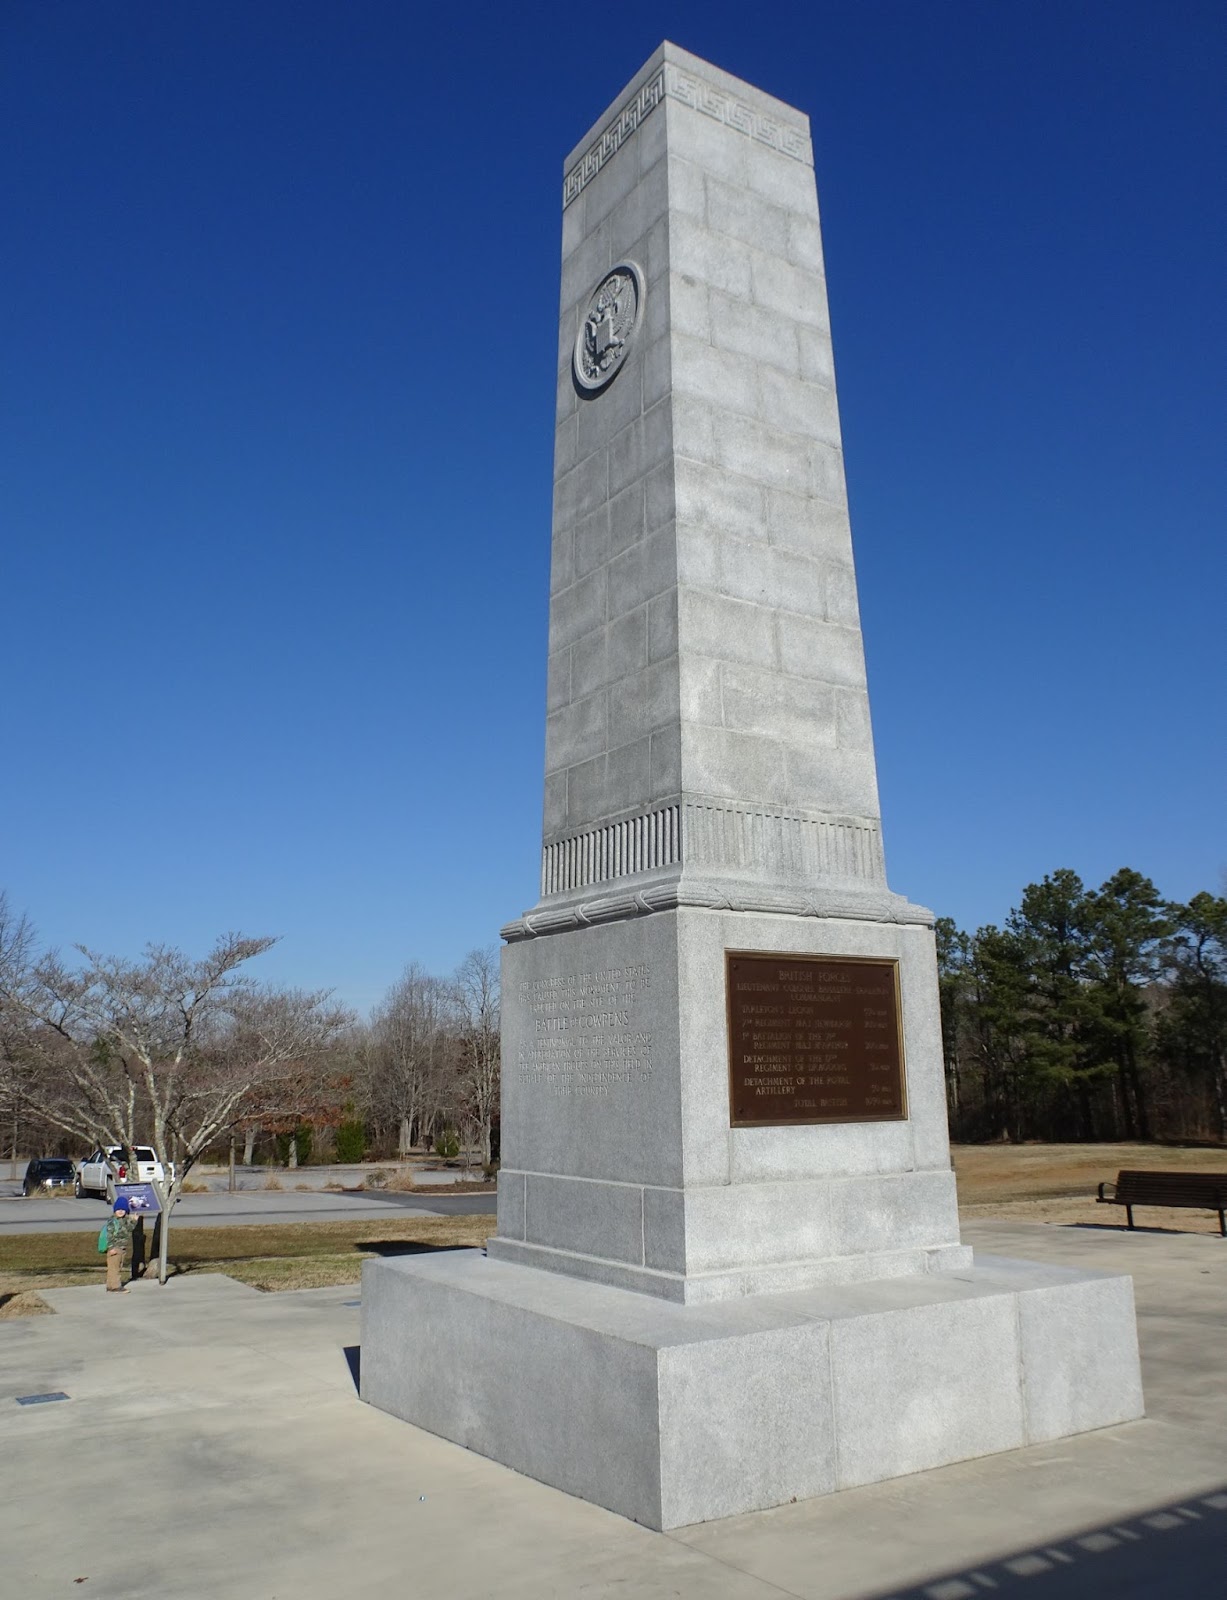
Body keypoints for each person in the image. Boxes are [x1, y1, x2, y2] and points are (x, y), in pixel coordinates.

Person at [105, 1195, 134, 1292]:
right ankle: (116, 1286)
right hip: (114, 1248)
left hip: (122, 1248)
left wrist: (134, 1221)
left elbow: (129, 1230)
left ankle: (110, 1285)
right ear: (115, 1210)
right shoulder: (112, 1221)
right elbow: (109, 1235)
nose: (120, 1211)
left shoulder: (125, 1221)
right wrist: (111, 1247)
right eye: (118, 1209)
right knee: (114, 1268)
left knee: (116, 1267)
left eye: (123, 1209)